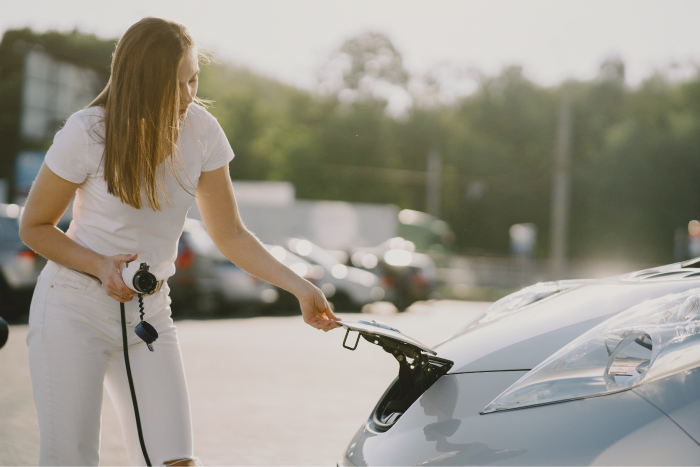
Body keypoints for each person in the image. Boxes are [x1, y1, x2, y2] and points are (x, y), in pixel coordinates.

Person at [19, 17, 340, 467]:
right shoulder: (88, 131)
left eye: (194, 79)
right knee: (70, 459)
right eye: (177, 86)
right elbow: (33, 226)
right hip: (72, 309)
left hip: (151, 313)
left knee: (177, 461)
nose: (189, 95)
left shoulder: (203, 132)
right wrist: (98, 265)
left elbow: (229, 234)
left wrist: (301, 287)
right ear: (141, 85)